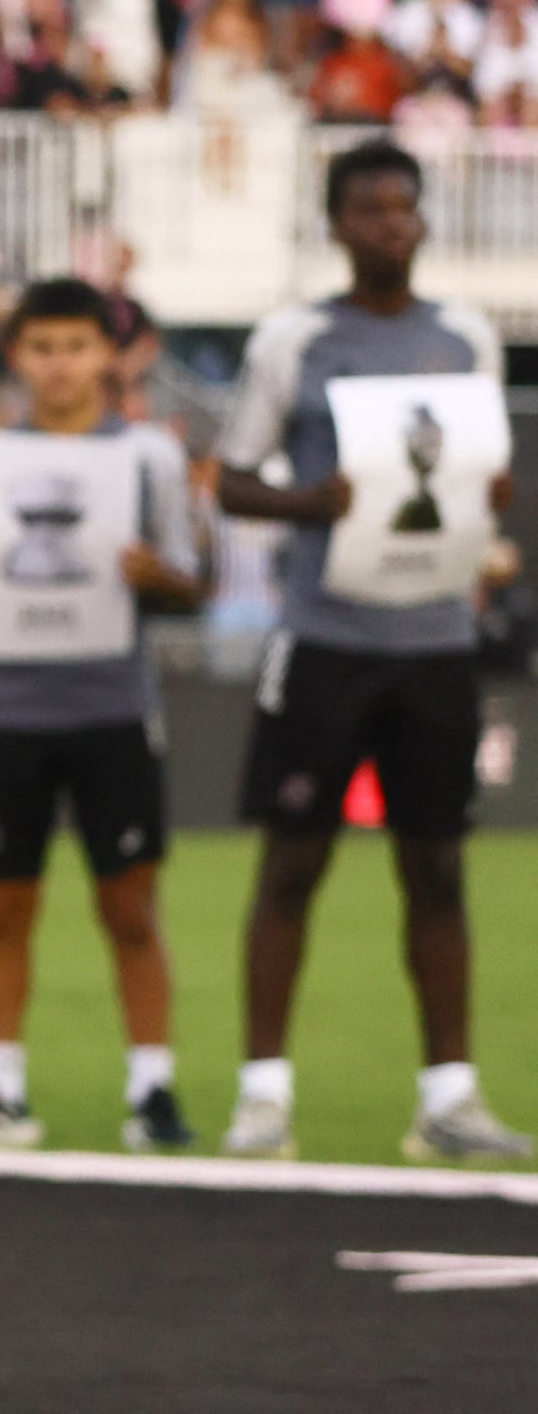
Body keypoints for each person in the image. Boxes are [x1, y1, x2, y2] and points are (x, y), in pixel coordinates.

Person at [210, 142, 531, 1165]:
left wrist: (486, 501)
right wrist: (305, 501)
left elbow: (481, 473)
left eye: (402, 206)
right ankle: (262, 1094)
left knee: (434, 865)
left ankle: (447, 1096)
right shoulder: (293, 339)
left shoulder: (464, 336)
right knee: (291, 862)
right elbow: (229, 480)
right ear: (335, 223)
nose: (388, 223)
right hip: (327, 637)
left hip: (432, 638)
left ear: (422, 220)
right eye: (367, 207)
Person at [0, 281, 201, 1153]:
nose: (59, 364)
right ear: (17, 356)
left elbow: (194, 580)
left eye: (76, 345)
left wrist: (155, 572)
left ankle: (152, 1085)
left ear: (107, 355)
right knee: (3, 905)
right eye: (42, 347)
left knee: (130, 906)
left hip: (113, 703)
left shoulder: (150, 455)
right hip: (10, 704)